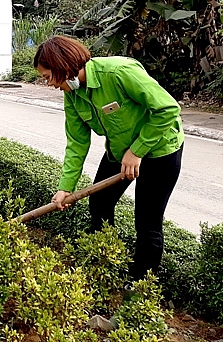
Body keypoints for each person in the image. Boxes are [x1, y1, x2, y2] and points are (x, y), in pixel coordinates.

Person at [34, 35, 184, 281]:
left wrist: (137, 151)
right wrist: (64, 188)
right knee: (99, 204)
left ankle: (140, 288)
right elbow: (76, 143)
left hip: (160, 150)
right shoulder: (72, 95)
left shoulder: (118, 72)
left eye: (48, 77)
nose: (49, 84)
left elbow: (168, 109)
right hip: (119, 151)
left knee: (147, 223)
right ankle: (104, 261)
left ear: (63, 66)